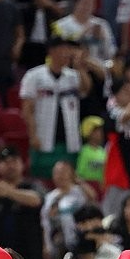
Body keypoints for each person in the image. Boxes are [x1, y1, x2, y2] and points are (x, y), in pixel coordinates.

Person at [19, 35, 90, 180]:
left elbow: (85, 89)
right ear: (51, 51)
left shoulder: (73, 76)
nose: (68, 53)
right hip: (43, 136)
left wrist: (80, 68)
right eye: (64, 49)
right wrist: (33, 135)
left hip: (68, 138)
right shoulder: (34, 76)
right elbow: (27, 109)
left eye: (69, 49)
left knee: (69, 178)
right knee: (42, 178)